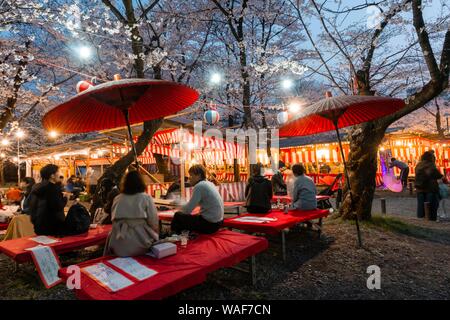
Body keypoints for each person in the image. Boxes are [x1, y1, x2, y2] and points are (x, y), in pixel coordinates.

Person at [104, 170, 159, 257]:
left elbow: (113, 220)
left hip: (118, 243)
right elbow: (154, 222)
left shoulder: (117, 198)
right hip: (140, 242)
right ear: (141, 183)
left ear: (125, 183)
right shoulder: (146, 198)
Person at [171, 165, 224, 234]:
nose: (189, 178)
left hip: (210, 225)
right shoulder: (210, 183)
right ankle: (184, 234)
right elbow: (195, 204)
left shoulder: (199, 186)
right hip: (219, 223)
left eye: (191, 175)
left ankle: (175, 237)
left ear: (199, 175)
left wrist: (178, 203)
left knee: (178, 216)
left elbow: (187, 210)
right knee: (191, 217)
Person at [29, 164, 68, 236]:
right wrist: (65, 198)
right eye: (59, 172)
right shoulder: (53, 189)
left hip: (40, 225)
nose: (60, 174)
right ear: (52, 176)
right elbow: (58, 207)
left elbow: (32, 206)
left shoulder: (37, 187)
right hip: (53, 227)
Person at [415, 151, 443, 220]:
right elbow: (437, 175)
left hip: (419, 188)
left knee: (421, 205)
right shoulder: (430, 165)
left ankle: (421, 218)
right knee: (432, 205)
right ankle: (431, 219)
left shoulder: (418, 165)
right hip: (430, 188)